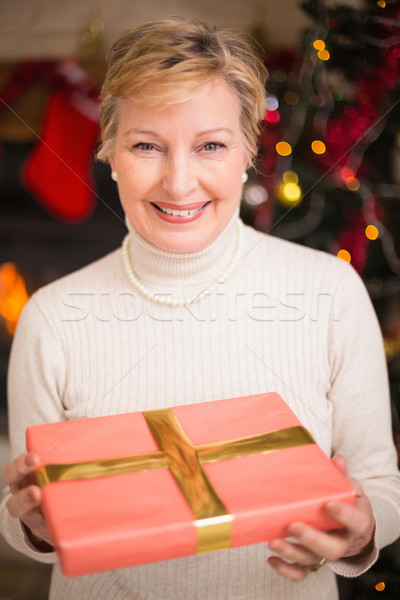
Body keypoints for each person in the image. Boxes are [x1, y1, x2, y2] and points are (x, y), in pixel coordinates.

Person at [1, 16, 400, 600]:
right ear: (109, 153)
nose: (179, 182)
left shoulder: (329, 293)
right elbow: (25, 513)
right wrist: (31, 526)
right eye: (146, 146)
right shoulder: (52, 316)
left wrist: (361, 531)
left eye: (210, 145)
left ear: (246, 153)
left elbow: (379, 488)